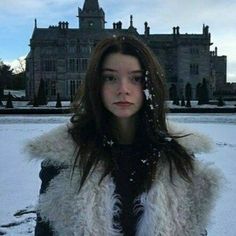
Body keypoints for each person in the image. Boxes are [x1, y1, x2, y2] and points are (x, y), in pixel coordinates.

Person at [26, 35, 221, 236]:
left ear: (150, 85)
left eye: (136, 78)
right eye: (110, 78)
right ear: (96, 85)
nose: (123, 90)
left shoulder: (177, 156)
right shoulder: (64, 159)